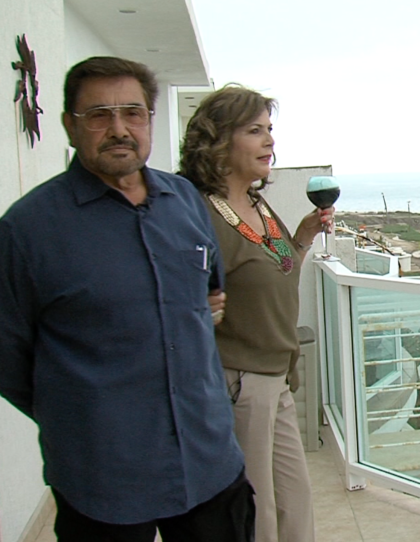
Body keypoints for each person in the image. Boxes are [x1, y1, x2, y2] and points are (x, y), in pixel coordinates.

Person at [0, 57, 254, 542]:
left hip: (209, 464)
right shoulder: (27, 230)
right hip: (103, 480)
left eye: (133, 113)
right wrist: (82, 412)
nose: (118, 128)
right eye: (99, 114)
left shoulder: (184, 200)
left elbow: (210, 295)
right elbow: (9, 358)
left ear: (149, 121)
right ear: (69, 127)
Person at [178, 84, 330, 542]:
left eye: (269, 130)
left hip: (277, 374)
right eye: (254, 131)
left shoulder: (258, 205)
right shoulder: (200, 213)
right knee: (257, 511)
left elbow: (282, 272)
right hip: (240, 382)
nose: (269, 141)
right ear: (219, 142)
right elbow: (182, 298)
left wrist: (301, 238)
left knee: (295, 502)